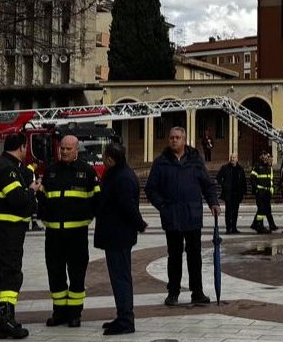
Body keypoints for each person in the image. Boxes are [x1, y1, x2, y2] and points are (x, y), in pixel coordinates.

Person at [145, 127, 220, 307]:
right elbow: (151, 189)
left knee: (195, 256)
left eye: (177, 137)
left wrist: (213, 203)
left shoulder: (195, 161)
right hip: (172, 217)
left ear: (184, 140)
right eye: (171, 137)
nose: (173, 140)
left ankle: (197, 292)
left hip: (192, 215)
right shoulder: (161, 162)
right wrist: (162, 206)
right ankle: (173, 292)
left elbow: (207, 185)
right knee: (174, 256)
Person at [38, 135, 99, 328]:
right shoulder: (51, 171)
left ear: (76, 150)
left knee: (77, 274)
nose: (64, 152)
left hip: (77, 235)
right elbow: (42, 197)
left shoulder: (87, 172)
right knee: (55, 274)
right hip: (54, 234)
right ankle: (59, 312)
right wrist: (44, 215)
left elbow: (96, 200)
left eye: (68, 149)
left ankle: (75, 314)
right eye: (62, 148)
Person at [0, 133, 38, 339]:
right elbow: (18, 199)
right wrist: (32, 191)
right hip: (10, 229)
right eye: (26, 148)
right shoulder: (7, 169)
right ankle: (6, 320)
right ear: (22, 147)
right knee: (12, 274)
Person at [95, 142, 147, 336]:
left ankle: (126, 319)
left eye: (103, 157)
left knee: (121, 278)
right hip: (115, 235)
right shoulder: (119, 174)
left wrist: (140, 223)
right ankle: (122, 315)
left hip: (118, 235)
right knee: (119, 277)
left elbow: (127, 205)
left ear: (110, 158)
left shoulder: (121, 177)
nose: (102, 160)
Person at [215, 153, 247, 234]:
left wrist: (244, 191)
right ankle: (228, 228)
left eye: (234, 157)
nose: (232, 159)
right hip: (228, 193)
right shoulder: (225, 168)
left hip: (237, 193)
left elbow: (243, 181)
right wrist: (224, 185)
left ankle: (234, 228)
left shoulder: (240, 169)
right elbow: (218, 177)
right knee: (228, 211)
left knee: (235, 211)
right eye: (231, 157)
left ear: (237, 159)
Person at [249, 152, 276, 233]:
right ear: (261, 157)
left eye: (267, 157)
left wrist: (271, 189)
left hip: (267, 191)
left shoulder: (269, 167)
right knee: (261, 209)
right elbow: (252, 178)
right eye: (264, 157)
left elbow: (271, 179)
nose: (265, 158)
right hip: (260, 191)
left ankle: (256, 224)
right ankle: (259, 226)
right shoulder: (257, 166)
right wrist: (256, 189)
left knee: (266, 209)